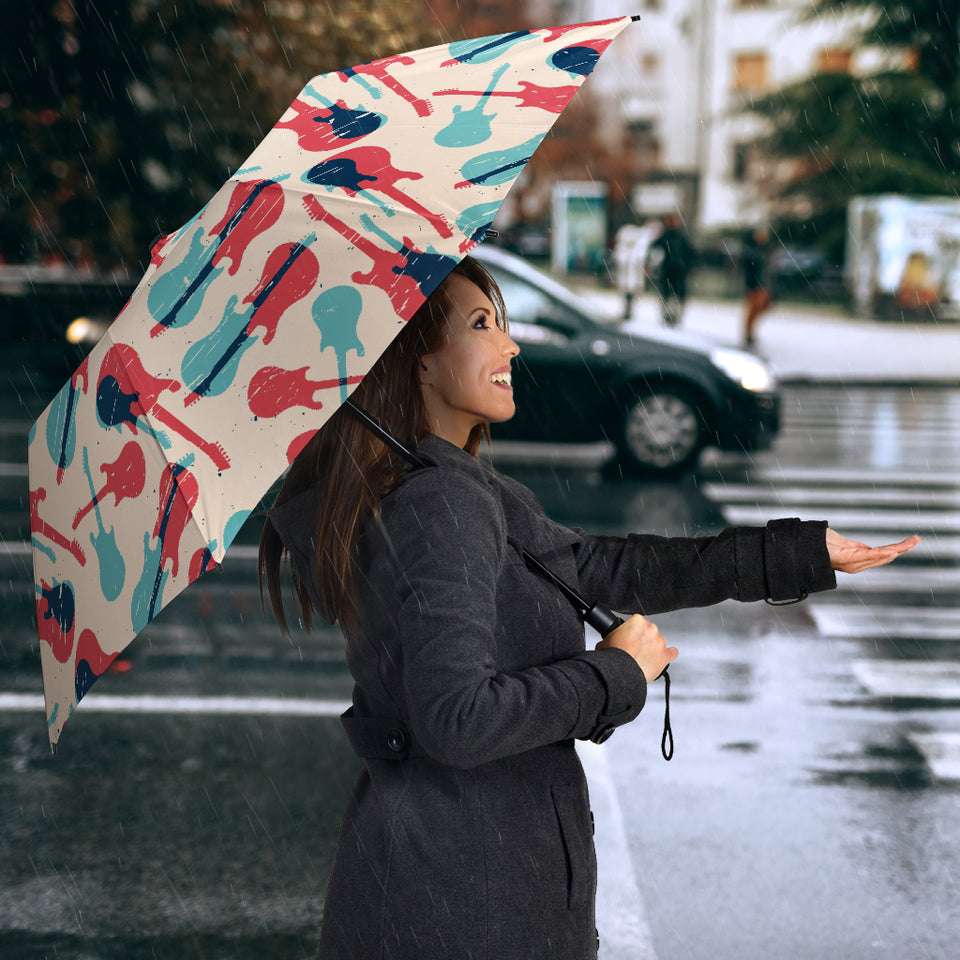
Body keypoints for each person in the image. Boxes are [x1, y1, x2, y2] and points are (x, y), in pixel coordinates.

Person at [258, 256, 919, 960]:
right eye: (483, 325)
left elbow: (603, 567)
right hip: (466, 902)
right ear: (417, 362)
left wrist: (796, 554)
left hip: (453, 883)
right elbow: (456, 719)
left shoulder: (448, 488)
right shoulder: (440, 504)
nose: (510, 345)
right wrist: (614, 673)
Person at [648, 213, 695, 327]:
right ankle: (667, 315)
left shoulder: (681, 237)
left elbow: (690, 253)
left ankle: (675, 316)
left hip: (679, 271)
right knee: (667, 294)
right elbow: (654, 249)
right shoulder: (665, 236)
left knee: (677, 295)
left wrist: (690, 267)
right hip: (668, 270)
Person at [741, 226, 773, 347]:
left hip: (763, 283)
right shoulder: (751, 250)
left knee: (762, 306)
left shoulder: (763, 249)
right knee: (754, 308)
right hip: (755, 284)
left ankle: (750, 331)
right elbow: (750, 265)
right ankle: (748, 333)